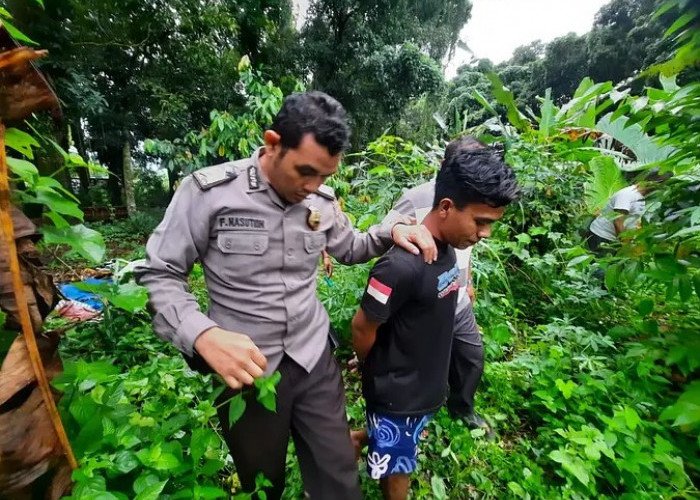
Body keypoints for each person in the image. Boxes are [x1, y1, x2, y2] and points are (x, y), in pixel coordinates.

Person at [135, 91, 437, 500]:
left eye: (324, 178)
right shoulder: (209, 193)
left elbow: (351, 247)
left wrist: (391, 231)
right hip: (247, 374)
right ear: (273, 143)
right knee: (263, 485)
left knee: (339, 478)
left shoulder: (319, 200)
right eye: (305, 172)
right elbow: (160, 272)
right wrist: (202, 335)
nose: (312, 187)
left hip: (314, 360)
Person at [351, 147, 519, 500]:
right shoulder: (399, 266)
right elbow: (362, 328)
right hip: (398, 394)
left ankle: (359, 438)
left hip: (425, 385)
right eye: (480, 221)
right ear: (445, 207)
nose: (485, 233)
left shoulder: (447, 250)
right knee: (399, 468)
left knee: (403, 437)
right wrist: (376, 369)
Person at [587, 170, 670, 257]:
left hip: (615, 238)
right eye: (662, 185)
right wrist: (625, 244)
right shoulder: (627, 195)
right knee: (601, 267)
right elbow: (618, 220)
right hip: (602, 236)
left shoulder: (641, 197)